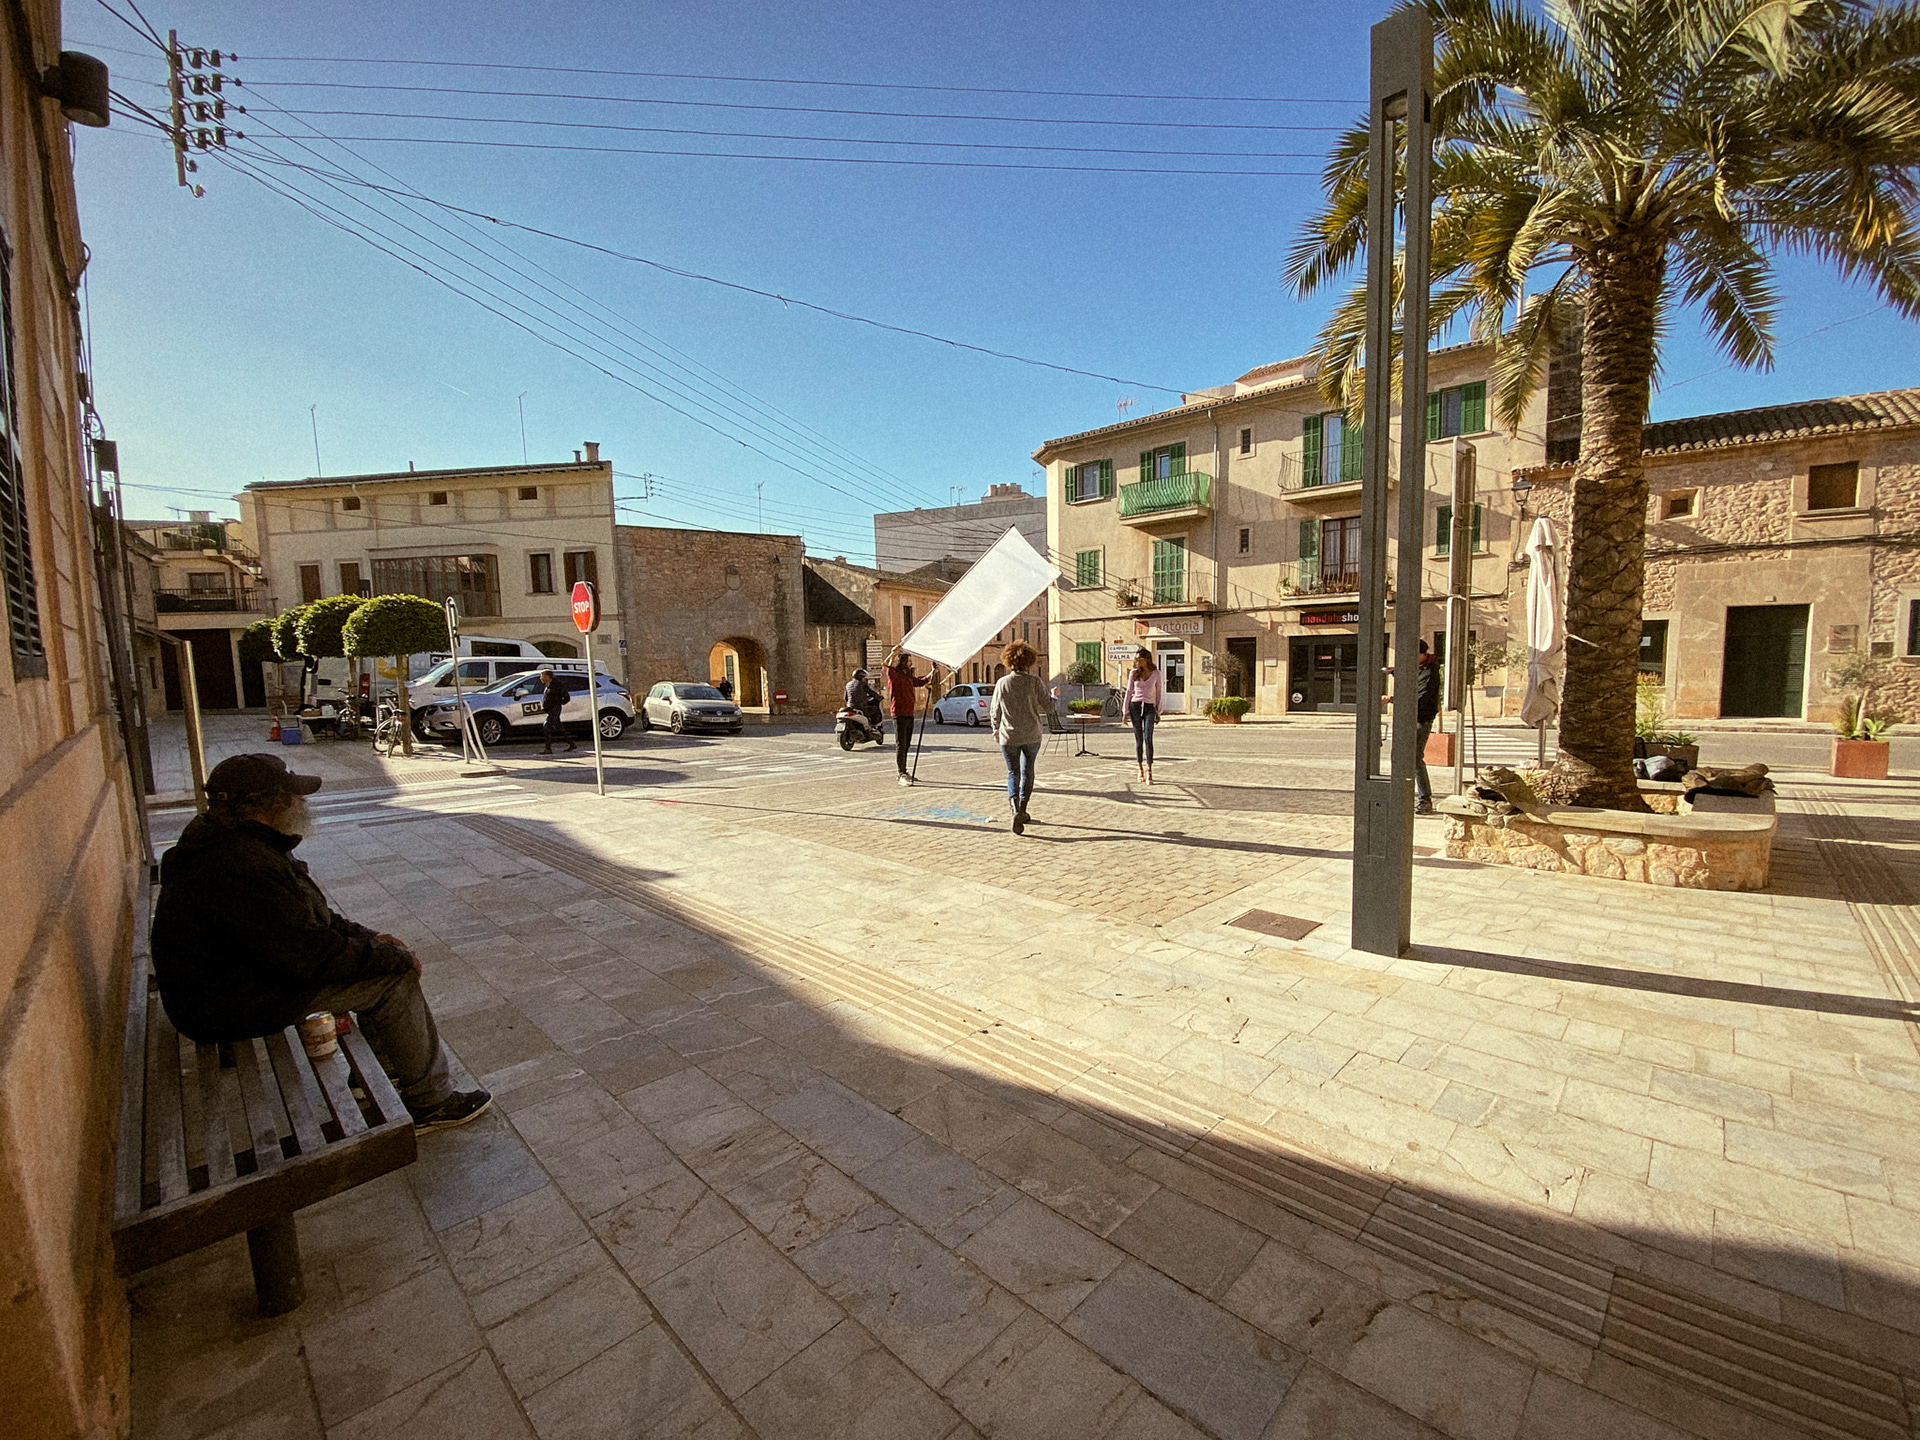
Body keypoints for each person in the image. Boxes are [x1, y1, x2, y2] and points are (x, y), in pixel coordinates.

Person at [149, 753, 491, 1133]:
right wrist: (389, 958)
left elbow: (309, 920)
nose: (302, 802)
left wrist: (368, 938)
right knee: (393, 981)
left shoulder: (242, 843)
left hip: (236, 981)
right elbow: (308, 955)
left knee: (378, 962)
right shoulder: (240, 864)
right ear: (266, 806)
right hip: (223, 1001)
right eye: (294, 795)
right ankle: (431, 1102)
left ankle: (382, 1077)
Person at [990, 640, 1049, 833]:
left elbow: (995, 710)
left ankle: (1014, 808)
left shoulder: (1002, 683)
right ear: (1029, 661)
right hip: (1032, 734)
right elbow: (1049, 706)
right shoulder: (1034, 682)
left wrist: (995, 728)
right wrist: (1054, 697)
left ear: (1008, 661)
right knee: (1028, 771)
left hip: (1009, 735)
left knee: (1013, 772)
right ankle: (1023, 809)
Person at [884, 649, 934, 785]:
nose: (911, 663)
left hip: (909, 713)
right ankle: (901, 773)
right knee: (901, 744)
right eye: (909, 661)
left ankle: (904, 771)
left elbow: (920, 681)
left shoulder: (908, 677)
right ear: (903, 662)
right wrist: (893, 653)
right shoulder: (894, 674)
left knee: (907, 744)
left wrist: (932, 672)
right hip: (899, 713)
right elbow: (888, 666)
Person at [1124, 648, 1162, 784]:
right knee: (1139, 739)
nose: (1137, 661)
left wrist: (1158, 711)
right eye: (1136, 659)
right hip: (1135, 706)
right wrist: (1125, 711)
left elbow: (1159, 692)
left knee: (1148, 738)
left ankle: (1149, 770)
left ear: (1147, 659)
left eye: (1139, 659)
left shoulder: (1156, 673)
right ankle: (1140, 768)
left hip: (1149, 707)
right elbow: (1129, 691)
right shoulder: (1134, 673)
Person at [1414, 639, 1441, 814]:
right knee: (1406, 758)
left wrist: (1392, 699)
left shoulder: (1430, 672)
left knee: (1415, 758)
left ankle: (1425, 799)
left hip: (1422, 718)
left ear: (1423, 654)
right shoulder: (1418, 668)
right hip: (1410, 718)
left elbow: (1421, 697)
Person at [538, 666, 575, 755]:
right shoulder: (548, 685)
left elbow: (566, 697)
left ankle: (548, 748)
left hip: (555, 708)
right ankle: (571, 743)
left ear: (547, 677)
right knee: (559, 727)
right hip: (550, 709)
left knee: (547, 726)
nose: (541, 678)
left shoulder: (556, 685)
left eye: (542, 676)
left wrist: (559, 703)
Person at [845, 667, 882, 732]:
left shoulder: (848, 685)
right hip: (862, 708)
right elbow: (872, 693)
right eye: (863, 677)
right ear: (861, 677)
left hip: (851, 708)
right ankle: (874, 726)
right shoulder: (863, 684)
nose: (864, 679)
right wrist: (879, 697)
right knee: (875, 710)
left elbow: (845, 698)